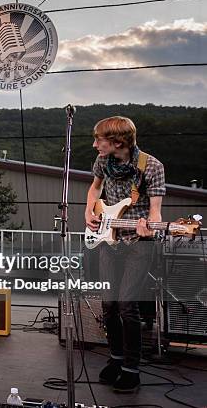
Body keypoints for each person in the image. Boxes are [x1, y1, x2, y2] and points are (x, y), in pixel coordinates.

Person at [85, 116, 165, 393]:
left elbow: (155, 211)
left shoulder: (151, 166)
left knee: (127, 306)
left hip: (138, 243)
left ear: (118, 142)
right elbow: (95, 188)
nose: (95, 145)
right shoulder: (102, 162)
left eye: (99, 140)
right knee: (108, 305)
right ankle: (116, 359)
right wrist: (88, 211)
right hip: (110, 241)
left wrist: (150, 227)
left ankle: (132, 368)